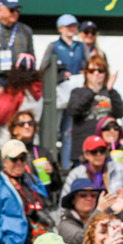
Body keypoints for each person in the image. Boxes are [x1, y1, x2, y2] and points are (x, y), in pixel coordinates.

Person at [61, 136, 123, 241]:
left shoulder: (119, 169)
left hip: (113, 227)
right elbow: (64, 209)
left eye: (102, 151)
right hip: (83, 227)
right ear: (86, 154)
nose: (99, 155)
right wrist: (99, 209)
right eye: (94, 151)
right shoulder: (76, 174)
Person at [66, 56, 123, 163]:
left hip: (107, 153)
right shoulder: (78, 92)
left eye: (100, 70)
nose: (96, 74)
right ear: (86, 73)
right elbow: (73, 110)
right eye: (92, 70)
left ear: (105, 73)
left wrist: (110, 90)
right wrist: (92, 92)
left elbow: (120, 113)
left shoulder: (110, 93)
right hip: (83, 152)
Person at [57, 178, 123, 244]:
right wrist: (99, 210)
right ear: (73, 200)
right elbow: (81, 241)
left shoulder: (102, 218)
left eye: (93, 195)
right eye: (83, 195)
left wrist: (118, 212)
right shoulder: (65, 224)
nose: (89, 198)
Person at [52, 13, 85, 169]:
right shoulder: (53, 46)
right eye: (68, 26)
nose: (72, 29)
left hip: (75, 95)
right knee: (55, 130)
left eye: (74, 26)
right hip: (58, 95)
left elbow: (88, 64)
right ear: (60, 28)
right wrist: (60, 75)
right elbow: (45, 68)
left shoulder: (81, 46)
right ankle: (52, 163)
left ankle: (65, 166)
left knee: (69, 132)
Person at [0, 0, 34, 89]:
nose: (15, 13)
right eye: (12, 10)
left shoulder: (25, 30)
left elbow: (32, 57)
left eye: (18, 10)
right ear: (0, 10)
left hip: (21, 81)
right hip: (0, 79)